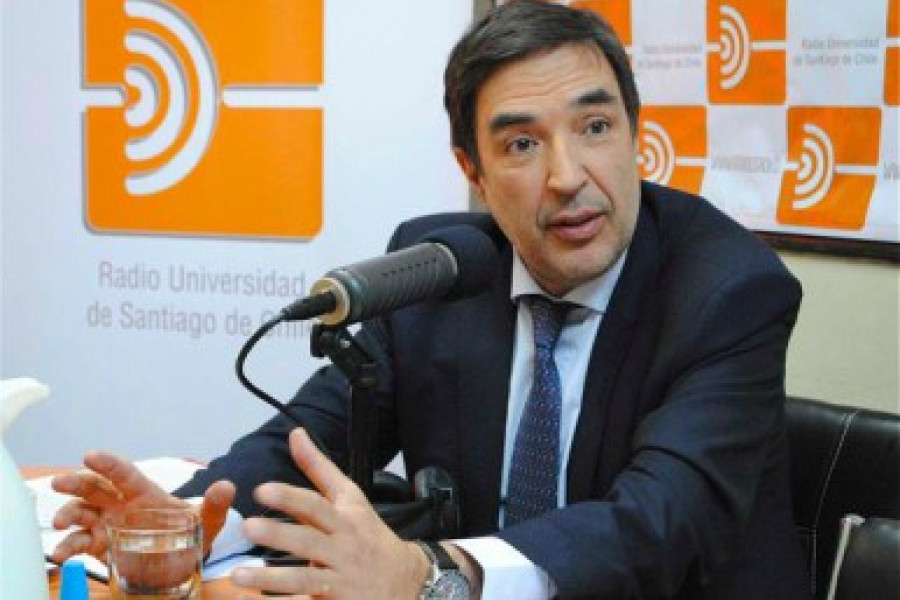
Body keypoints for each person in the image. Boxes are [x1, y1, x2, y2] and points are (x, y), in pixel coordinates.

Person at [50, 2, 814, 598]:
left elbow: (656, 526)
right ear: (471, 170)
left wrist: (431, 575)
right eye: (521, 144)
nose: (567, 176)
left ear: (636, 134)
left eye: (595, 126)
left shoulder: (728, 291)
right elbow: (311, 437)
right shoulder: (440, 269)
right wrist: (188, 522)